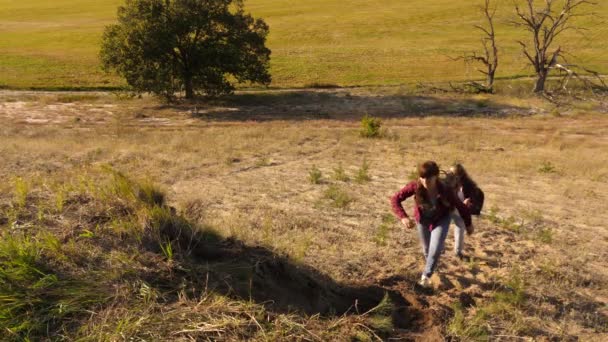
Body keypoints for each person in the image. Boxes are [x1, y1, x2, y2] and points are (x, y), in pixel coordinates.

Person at [391, 161, 473, 288]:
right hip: (422, 220)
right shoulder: (415, 186)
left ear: (436, 176)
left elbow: (460, 206)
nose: (424, 181)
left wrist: (468, 224)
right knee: (427, 249)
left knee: (435, 249)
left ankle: (425, 277)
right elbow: (395, 199)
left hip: (441, 219)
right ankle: (433, 265)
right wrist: (404, 217)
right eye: (422, 177)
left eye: (428, 178)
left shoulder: (445, 189)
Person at [446, 163, 485, 259]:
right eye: (449, 172)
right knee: (442, 228)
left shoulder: (469, 185)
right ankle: (438, 248)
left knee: (460, 229)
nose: (449, 174)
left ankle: (458, 252)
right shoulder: (447, 182)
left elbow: (475, 198)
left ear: (460, 174)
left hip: (461, 210)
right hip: (449, 209)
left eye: (452, 173)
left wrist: (469, 202)